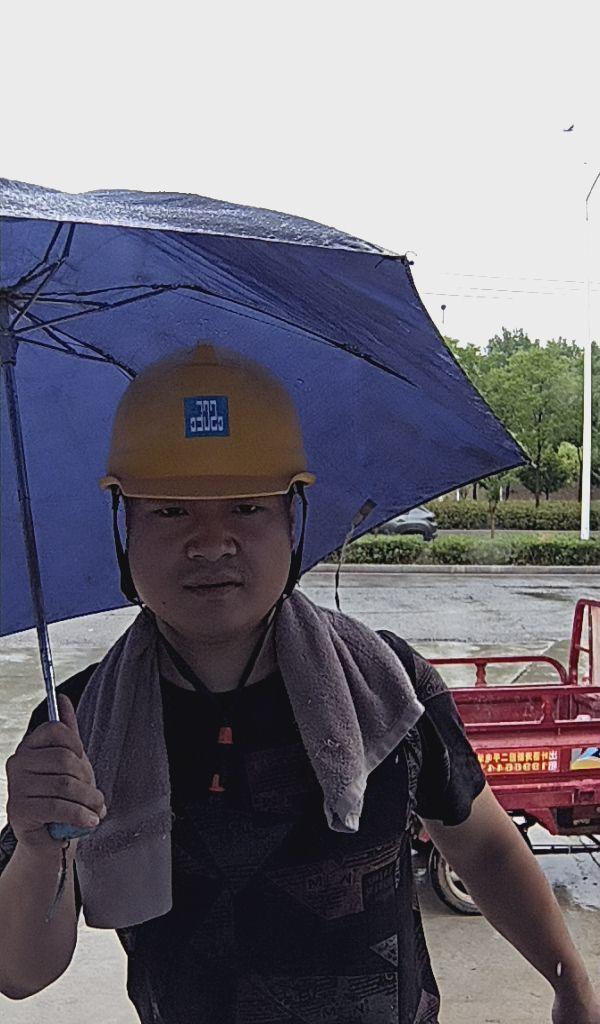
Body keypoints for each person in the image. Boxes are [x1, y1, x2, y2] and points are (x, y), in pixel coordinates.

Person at [0, 343, 598, 1024]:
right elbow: (20, 973)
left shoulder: (388, 687)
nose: (211, 543)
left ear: (293, 520)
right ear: (124, 527)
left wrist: (571, 981)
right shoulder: (77, 724)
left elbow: (483, 846)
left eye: (246, 508)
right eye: (170, 511)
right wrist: (39, 848)